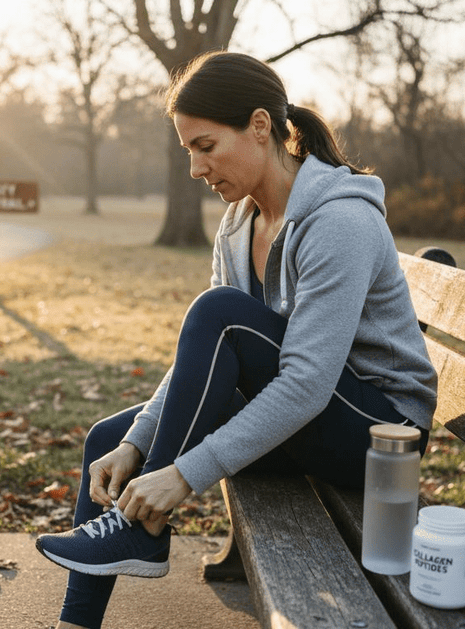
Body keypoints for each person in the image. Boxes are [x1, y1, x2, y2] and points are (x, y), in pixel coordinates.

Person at [35, 50, 437, 629]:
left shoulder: (338, 220)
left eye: (206, 147)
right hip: (311, 417)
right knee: (111, 438)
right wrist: (139, 442)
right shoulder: (238, 222)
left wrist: (181, 476)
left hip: (379, 436)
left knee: (221, 311)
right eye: (188, 152)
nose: (197, 170)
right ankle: (75, 623)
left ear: (258, 126)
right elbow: (202, 361)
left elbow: (305, 383)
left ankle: (139, 532)